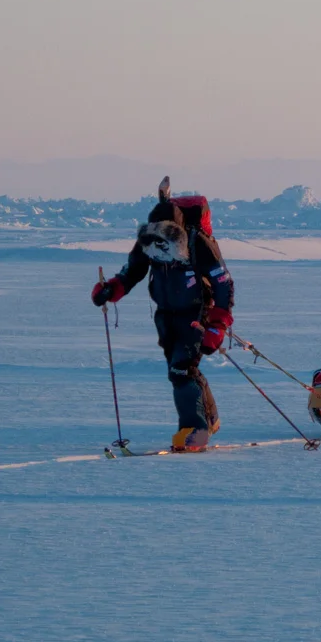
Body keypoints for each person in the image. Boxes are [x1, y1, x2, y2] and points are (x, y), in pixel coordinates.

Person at [92, 178, 234, 451]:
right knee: (180, 369)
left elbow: (223, 284)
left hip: (197, 311)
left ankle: (195, 430)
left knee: (182, 368)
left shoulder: (198, 244)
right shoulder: (149, 241)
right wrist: (110, 290)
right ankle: (209, 418)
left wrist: (217, 325)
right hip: (166, 313)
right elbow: (132, 272)